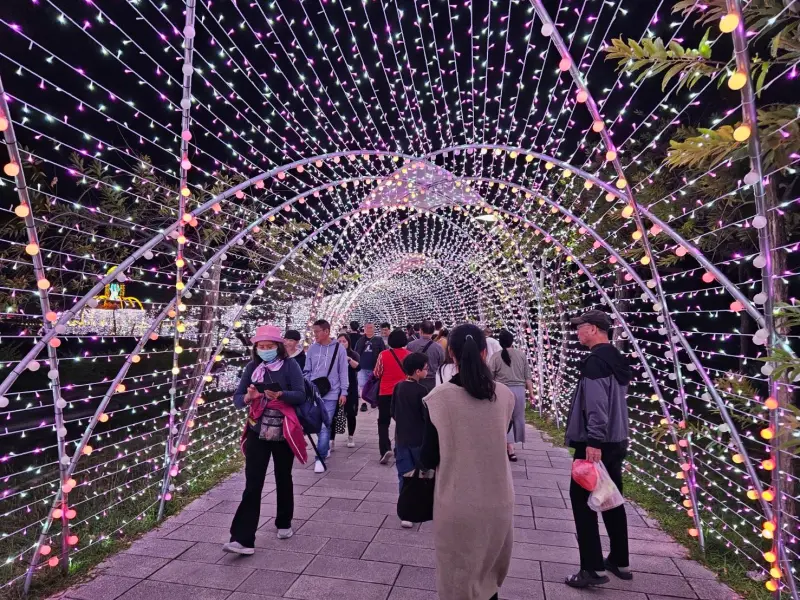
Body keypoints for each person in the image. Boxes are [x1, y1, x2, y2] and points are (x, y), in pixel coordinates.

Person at [419, 324, 515, 600]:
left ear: (451, 353)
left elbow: (428, 457)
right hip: (500, 501)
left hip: (457, 501)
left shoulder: (437, 399)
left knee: (457, 582)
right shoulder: (505, 396)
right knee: (489, 580)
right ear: (485, 352)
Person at [564, 310, 632, 588]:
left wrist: (593, 440)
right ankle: (619, 559)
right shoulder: (616, 358)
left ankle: (591, 568)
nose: (577, 333)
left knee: (582, 502)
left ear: (593, 329)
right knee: (611, 497)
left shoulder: (595, 362)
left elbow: (597, 404)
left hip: (596, 443)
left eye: (580, 328)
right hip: (617, 439)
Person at [225, 325, 307, 554]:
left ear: (278, 347)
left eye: (270, 346)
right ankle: (243, 539)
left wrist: (281, 394)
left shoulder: (290, 366)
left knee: (283, 477)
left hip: (283, 430)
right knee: (253, 482)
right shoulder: (253, 367)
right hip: (257, 430)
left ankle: (284, 521)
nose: (265, 350)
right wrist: (248, 397)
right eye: (261, 346)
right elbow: (237, 399)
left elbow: (301, 395)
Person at [303, 319, 349, 473]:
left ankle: (320, 457)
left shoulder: (339, 349)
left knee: (324, 425)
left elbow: (343, 371)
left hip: (332, 393)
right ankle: (325, 446)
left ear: (326, 331)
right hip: (314, 393)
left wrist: (344, 391)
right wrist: (308, 385)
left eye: (317, 332)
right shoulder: (312, 349)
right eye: (314, 332)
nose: (314, 335)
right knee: (316, 423)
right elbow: (307, 370)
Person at [391, 352, 429, 529]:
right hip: (418, 439)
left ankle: (405, 512)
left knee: (404, 475)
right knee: (420, 474)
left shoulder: (398, 387)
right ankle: (419, 506)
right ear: (417, 371)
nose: (427, 371)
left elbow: (393, 412)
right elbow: (426, 417)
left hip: (401, 438)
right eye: (426, 368)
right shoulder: (422, 391)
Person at [488, 329, 536, 462]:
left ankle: (510, 448)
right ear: (512, 341)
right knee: (517, 418)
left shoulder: (495, 357)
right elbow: (528, 376)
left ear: (500, 342)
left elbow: (490, 376)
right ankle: (512, 446)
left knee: (505, 419)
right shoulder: (521, 355)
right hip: (519, 391)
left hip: (502, 391)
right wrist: (531, 393)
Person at [373, 328, 410, 464]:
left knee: (383, 422)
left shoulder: (383, 355)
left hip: (386, 392)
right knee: (402, 422)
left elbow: (377, 373)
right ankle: (400, 449)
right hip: (403, 392)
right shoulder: (409, 355)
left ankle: (385, 449)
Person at [332, 333, 360, 448]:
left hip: (350, 387)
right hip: (335, 387)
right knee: (333, 413)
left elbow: (358, 367)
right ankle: (331, 439)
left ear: (348, 342)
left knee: (351, 413)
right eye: (339, 341)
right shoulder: (332, 354)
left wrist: (349, 360)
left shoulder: (353, 354)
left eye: (344, 341)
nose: (342, 343)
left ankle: (351, 436)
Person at [407, 320, 445, 392]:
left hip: (415, 381)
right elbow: (441, 363)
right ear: (433, 332)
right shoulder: (438, 347)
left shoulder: (410, 345)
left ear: (420, 331)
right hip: (433, 382)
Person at [354, 322, 385, 411]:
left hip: (375, 366)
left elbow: (383, 352)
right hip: (362, 367)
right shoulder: (360, 340)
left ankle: (373, 400)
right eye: (367, 327)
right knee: (362, 385)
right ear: (364, 329)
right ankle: (364, 403)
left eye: (371, 327)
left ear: (374, 329)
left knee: (374, 385)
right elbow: (356, 352)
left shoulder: (379, 340)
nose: (369, 329)